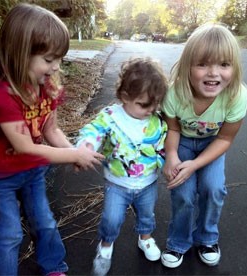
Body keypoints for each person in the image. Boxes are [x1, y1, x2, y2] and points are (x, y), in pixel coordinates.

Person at [0, 3, 104, 276]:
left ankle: (54, 266)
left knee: (44, 221)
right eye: (48, 59)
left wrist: (75, 150)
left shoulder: (48, 86)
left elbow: (51, 130)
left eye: (60, 59)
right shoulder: (1, 94)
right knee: (9, 234)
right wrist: (73, 156)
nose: (56, 67)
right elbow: (25, 146)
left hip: (31, 171)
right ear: (20, 53)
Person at [160, 23, 247, 268]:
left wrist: (196, 165)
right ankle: (178, 241)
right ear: (188, 65)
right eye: (202, 64)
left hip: (213, 143)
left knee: (213, 188)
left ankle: (207, 238)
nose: (213, 73)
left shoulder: (237, 96)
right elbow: (174, 128)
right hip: (182, 142)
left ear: (235, 67)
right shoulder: (175, 94)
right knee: (183, 193)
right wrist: (171, 156)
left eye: (224, 64)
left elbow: (225, 138)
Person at [76, 57, 168, 275]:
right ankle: (106, 246)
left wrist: (166, 163)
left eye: (156, 104)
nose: (151, 109)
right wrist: (86, 146)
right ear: (125, 96)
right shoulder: (111, 117)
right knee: (112, 218)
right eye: (144, 104)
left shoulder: (157, 121)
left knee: (147, 214)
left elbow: (164, 145)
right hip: (117, 183)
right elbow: (94, 130)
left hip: (148, 182)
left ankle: (145, 238)